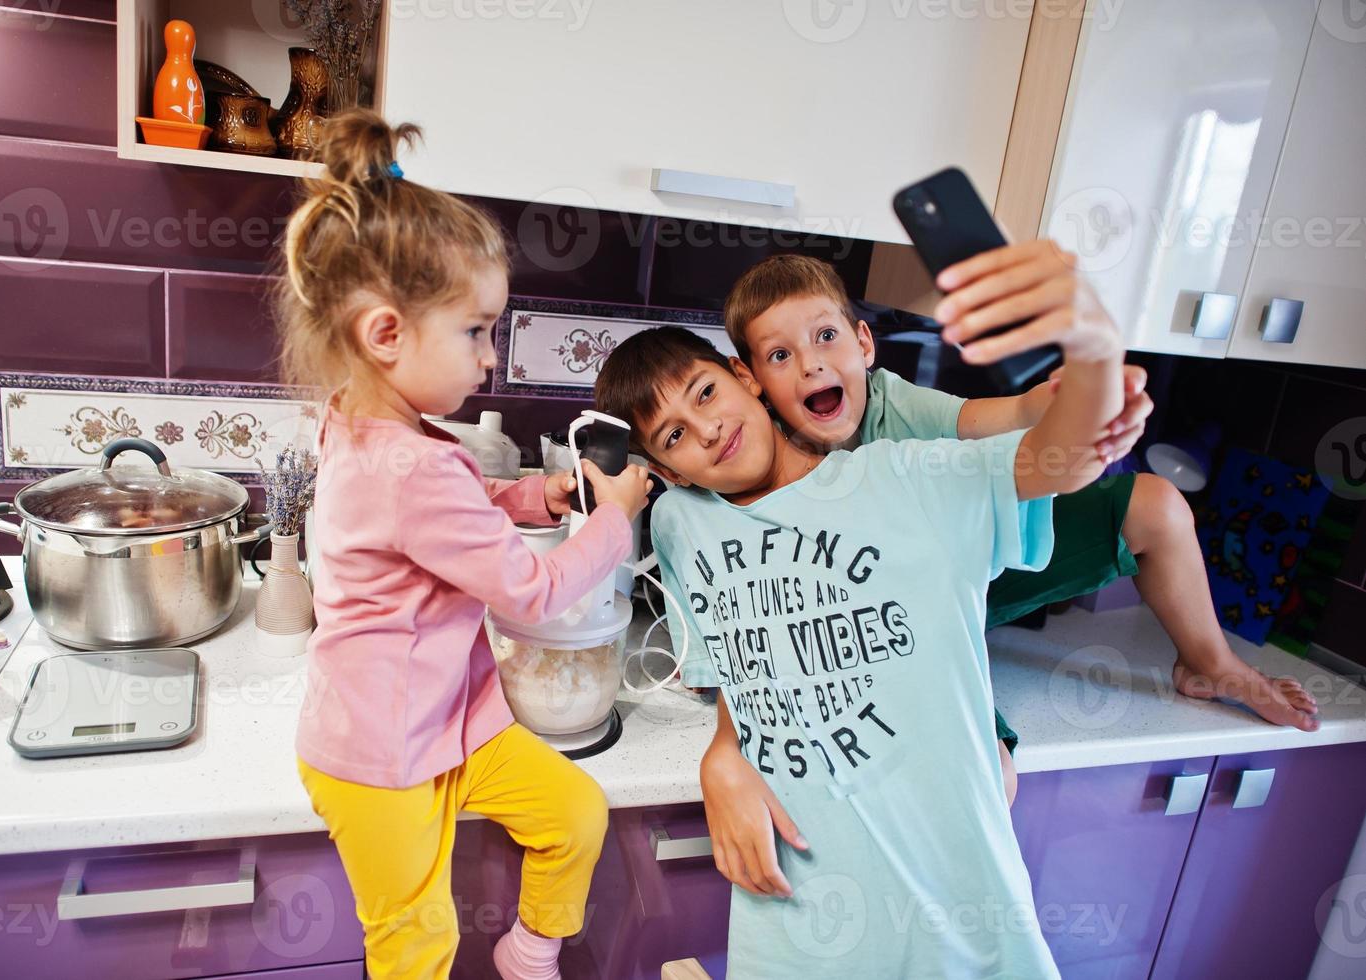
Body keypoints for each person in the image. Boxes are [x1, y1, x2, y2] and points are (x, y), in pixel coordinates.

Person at [594, 241, 1124, 977]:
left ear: (743, 379)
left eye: (706, 394)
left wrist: (1093, 340)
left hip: (953, 912)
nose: (706, 429)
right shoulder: (685, 524)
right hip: (793, 917)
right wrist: (726, 754)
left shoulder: (908, 474)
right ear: (662, 469)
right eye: (674, 434)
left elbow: (1060, 455)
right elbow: (741, 665)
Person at [715, 251, 1319, 807]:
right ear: (752, 380)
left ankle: (1208, 661)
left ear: (864, 343)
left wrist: (1057, 400)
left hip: (965, 584)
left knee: (1157, 504)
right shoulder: (763, 455)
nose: (812, 362)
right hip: (896, 635)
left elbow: (991, 419)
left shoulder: (890, 402)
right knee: (989, 773)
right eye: (780, 355)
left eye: (826, 336)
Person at [278, 108, 652, 980]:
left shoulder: (368, 428)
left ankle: (527, 952)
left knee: (571, 810)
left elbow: (436, 517)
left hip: (451, 720)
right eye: (476, 330)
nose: (490, 358)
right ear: (385, 334)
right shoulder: (409, 466)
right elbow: (528, 590)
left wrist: (527, 491)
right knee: (417, 944)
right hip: (381, 755)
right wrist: (614, 515)